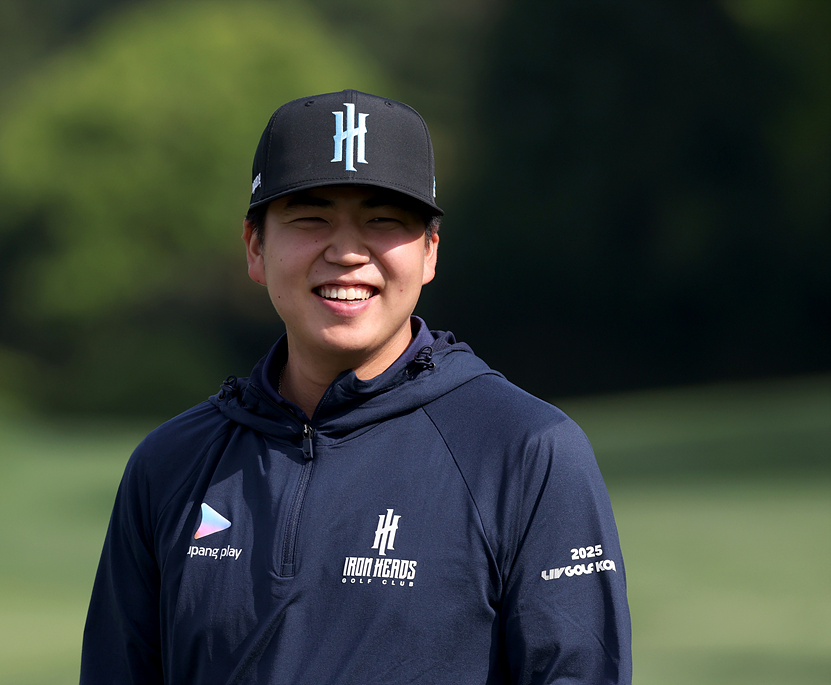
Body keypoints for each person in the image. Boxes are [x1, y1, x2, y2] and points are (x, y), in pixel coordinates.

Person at [80, 89, 631, 684]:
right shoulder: (170, 464)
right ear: (256, 247)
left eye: (383, 220)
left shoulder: (526, 450)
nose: (346, 252)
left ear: (430, 252)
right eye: (311, 218)